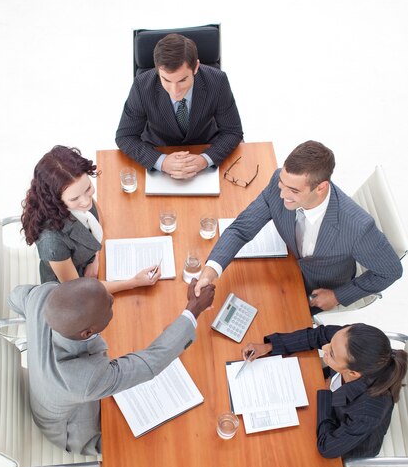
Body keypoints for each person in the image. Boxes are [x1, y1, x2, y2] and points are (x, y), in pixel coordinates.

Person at [8, 277, 215, 455]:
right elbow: (151, 362)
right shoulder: (85, 380)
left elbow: (14, 297)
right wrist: (193, 310)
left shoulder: (43, 295)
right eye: (108, 304)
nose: (112, 298)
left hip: (51, 394)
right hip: (71, 430)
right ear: (87, 333)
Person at [194, 140, 402, 312]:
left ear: (321, 188)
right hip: (287, 267)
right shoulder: (281, 182)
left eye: (293, 190)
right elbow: (241, 229)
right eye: (282, 184)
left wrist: (338, 296)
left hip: (318, 289)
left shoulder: (358, 228)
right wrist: (211, 271)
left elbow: (390, 271)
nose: (282, 194)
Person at [242, 323, 407, 459]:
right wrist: (269, 346)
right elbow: (319, 335)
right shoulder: (347, 340)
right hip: (331, 397)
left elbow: (328, 448)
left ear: (353, 373)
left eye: (332, 354)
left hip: (348, 438)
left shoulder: (366, 413)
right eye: (332, 342)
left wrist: (325, 395)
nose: (325, 347)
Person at [21, 145, 161, 293]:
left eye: (88, 189)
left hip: (91, 264)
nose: (87, 201)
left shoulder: (78, 193)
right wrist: (134, 282)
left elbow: (96, 214)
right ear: (55, 200)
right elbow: (78, 290)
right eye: (75, 198)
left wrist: (96, 257)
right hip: (69, 291)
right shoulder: (52, 242)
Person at [115, 33, 243, 180]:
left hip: (204, 146)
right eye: (166, 80)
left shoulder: (217, 81)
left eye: (182, 80)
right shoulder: (142, 86)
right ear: (158, 71)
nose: (175, 91)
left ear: (196, 68)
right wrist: (161, 162)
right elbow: (125, 136)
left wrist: (204, 160)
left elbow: (233, 131)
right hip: (158, 147)